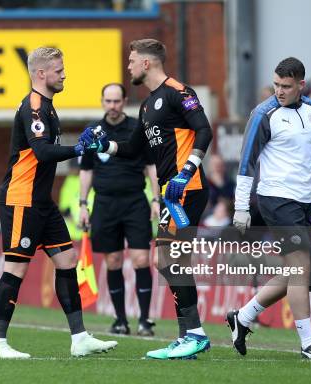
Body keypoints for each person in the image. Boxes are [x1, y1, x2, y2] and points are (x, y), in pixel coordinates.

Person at [84, 38, 214, 360]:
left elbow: (205, 130)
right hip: (172, 189)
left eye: (131, 61)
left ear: (146, 63)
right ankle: (188, 337)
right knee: (169, 261)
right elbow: (131, 149)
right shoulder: (146, 105)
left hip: (187, 186)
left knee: (170, 259)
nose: (128, 67)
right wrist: (104, 147)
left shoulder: (179, 92)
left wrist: (186, 172)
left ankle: (194, 334)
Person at [0, 47, 117, 359]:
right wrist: (80, 149)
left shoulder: (49, 107)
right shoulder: (34, 107)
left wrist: (78, 147)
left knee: (67, 260)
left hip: (41, 202)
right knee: (15, 268)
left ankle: (80, 338)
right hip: (22, 200)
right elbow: (43, 152)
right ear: (41, 74)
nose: (64, 75)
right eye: (59, 70)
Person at [229, 57, 311, 359]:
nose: (279, 91)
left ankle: (243, 316)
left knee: (295, 271)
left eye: (286, 86)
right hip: (275, 200)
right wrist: (241, 208)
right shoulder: (264, 113)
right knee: (300, 268)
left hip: (305, 202)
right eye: (276, 84)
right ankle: (308, 344)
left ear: (301, 85)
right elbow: (246, 162)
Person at [79, 83, 159, 336]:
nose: (112, 106)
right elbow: (86, 170)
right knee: (113, 261)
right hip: (104, 203)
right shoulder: (93, 131)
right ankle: (120, 320)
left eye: (117, 101)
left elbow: (151, 166)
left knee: (141, 259)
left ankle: (145, 320)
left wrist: (157, 200)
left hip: (135, 201)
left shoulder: (138, 127)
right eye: (108, 101)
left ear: (125, 100)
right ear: (102, 102)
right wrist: (83, 204)